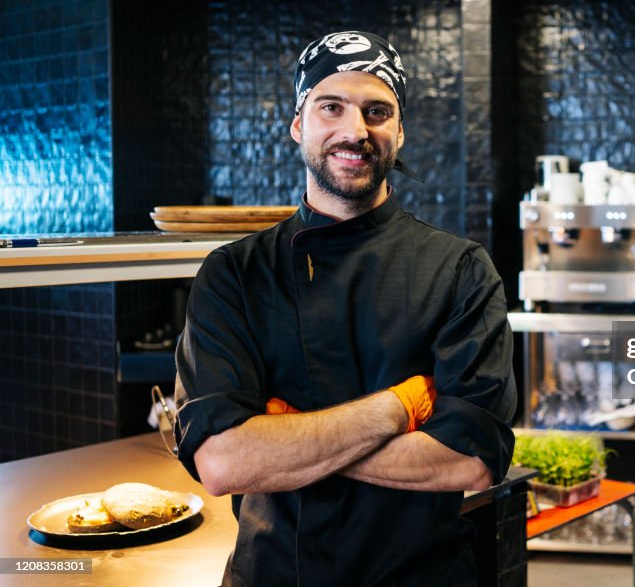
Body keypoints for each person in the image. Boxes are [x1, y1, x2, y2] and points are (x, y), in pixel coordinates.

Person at [174, 30, 517, 586]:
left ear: (399, 132)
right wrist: (396, 409)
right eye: (330, 106)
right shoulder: (234, 273)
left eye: (377, 111)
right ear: (298, 124)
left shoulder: (460, 270)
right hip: (273, 573)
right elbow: (222, 463)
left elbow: (469, 460)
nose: (355, 131)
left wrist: (282, 440)